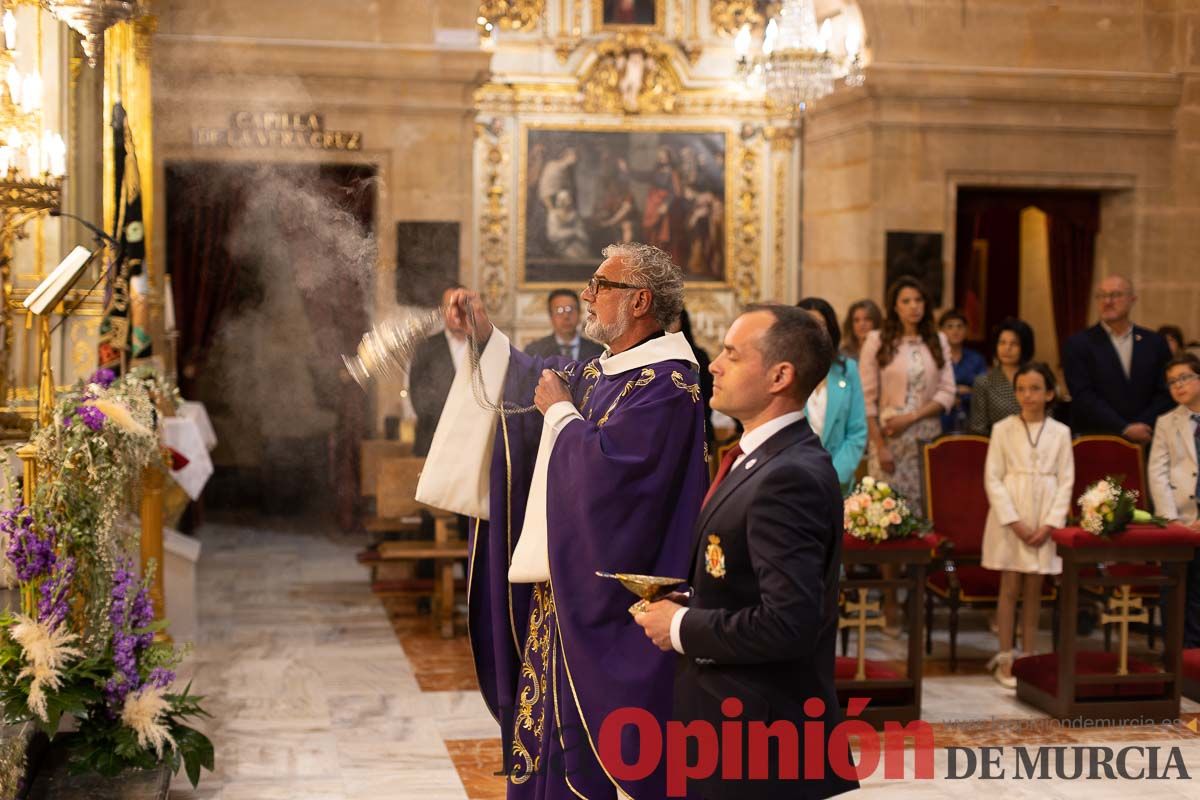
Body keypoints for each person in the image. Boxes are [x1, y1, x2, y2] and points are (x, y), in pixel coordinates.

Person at [415, 243, 708, 800]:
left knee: (588, 750)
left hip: (613, 605)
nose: (586, 295)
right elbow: (534, 375)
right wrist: (485, 333)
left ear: (640, 300)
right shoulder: (608, 369)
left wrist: (561, 415)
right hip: (565, 597)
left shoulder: (669, 385)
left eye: (600, 285)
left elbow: (617, 481)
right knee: (545, 732)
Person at [633, 305, 858, 800]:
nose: (714, 364)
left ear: (780, 376)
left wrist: (678, 626)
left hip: (759, 740)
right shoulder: (759, 456)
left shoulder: (789, 475)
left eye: (733, 355)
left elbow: (788, 623)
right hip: (728, 727)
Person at [980, 362, 1073, 688]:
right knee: (1010, 587)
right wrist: (1014, 520)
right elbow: (993, 477)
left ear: (1049, 393)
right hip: (1012, 517)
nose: (1027, 395)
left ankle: (1030, 655)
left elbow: (1066, 481)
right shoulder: (1002, 428)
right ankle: (1006, 656)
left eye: (1035, 389)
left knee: (1035, 588)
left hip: (1043, 515)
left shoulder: (1061, 432)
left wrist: (1050, 524)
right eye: (1021, 389)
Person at [859, 277, 956, 512]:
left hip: (927, 437)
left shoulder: (938, 340)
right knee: (887, 512)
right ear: (895, 307)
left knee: (924, 511)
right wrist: (880, 446)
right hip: (889, 437)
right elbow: (866, 400)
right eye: (906, 301)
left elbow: (948, 392)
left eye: (919, 300)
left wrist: (911, 417)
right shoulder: (877, 341)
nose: (914, 306)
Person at [1062, 275, 1173, 441]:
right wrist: (1124, 428)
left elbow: (1166, 391)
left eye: (1115, 295)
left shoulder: (1155, 342)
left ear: (1132, 299)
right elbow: (1083, 395)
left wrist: (1143, 424)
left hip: (1149, 436)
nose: (1107, 301)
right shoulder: (1078, 344)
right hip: (1099, 438)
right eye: (1101, 295)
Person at [1148, 353, 1200, 647]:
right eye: (1171, 383)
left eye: (1184, 378)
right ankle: (1177, 655)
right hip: (1178, 520)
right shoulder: (1167, 422)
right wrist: (1172, 520)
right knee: (1175, 590)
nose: (1177, 386)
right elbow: (1158, 472)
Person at [798, 297, 868, 493]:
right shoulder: (785, 371)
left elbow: (857, 432)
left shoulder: (848, 369)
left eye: (820, 324)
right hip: (794, 480)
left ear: (830, 329)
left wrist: (831, 476)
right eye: (806, 323)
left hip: (837, 483)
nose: (813, 330)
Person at [408, 283, 466, 457]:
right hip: (434, 443)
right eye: (449, 306)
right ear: (442, 311)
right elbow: (419, 399)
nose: (455, 312)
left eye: (460, 306)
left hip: (472, 445)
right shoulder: (426, 348)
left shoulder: (483, 346)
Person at [968, 318, 1035, 436]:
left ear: (1024, 347)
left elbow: (1047, 420)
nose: (1007, 348)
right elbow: (978, 428)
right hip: (997, 447)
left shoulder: (1036, 379)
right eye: (1002, 342)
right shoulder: (984, 382)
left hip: (1035, 445)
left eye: (1014, 344)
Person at [938, 309, 987, 432]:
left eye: (960, 326)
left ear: (966, 331)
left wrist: (964, 394)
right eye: (950, 327)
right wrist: (957, 392)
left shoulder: (977, 359)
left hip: (972, 418)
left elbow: (984, 391)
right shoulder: (935, 358)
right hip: (941, 417)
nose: (955, 331)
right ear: (941, 331)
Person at [525, 289, 605, 361]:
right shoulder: (534, 352)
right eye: (559, 310)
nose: (566, 316)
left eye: (570, 309)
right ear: (551, 316)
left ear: (579, 313)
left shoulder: (598, 352)